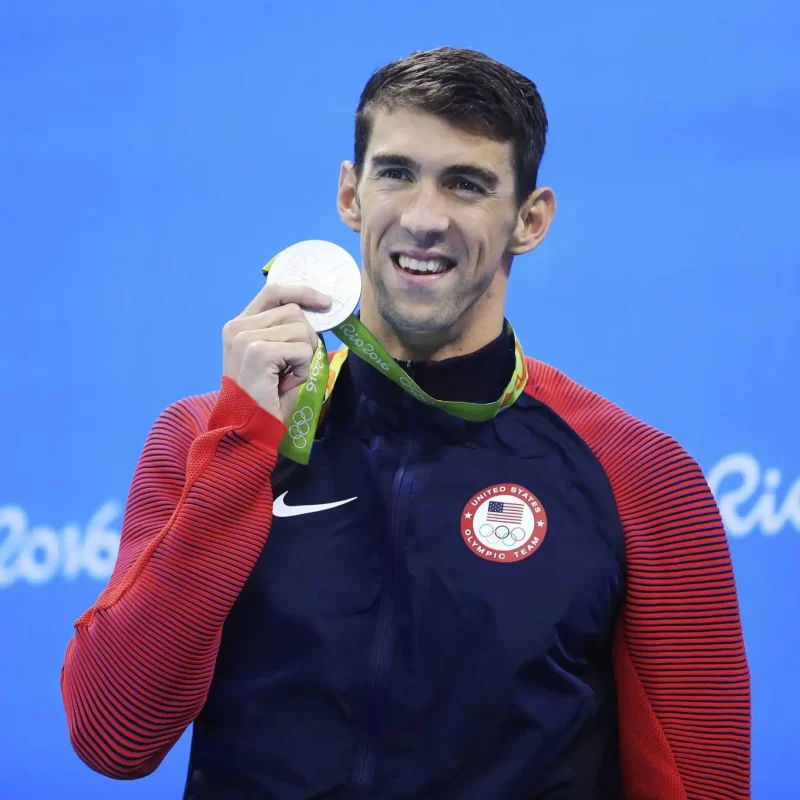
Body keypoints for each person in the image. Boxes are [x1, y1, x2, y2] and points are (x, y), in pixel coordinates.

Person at [61, 47, 751, 799]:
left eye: (467, 184)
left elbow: (704, 783)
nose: (425, 219)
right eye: (396, 173)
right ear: (350, 194)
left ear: (530, 219)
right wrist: (241, 444)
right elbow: (113, 735)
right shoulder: (208, 438)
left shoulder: (637, 472)